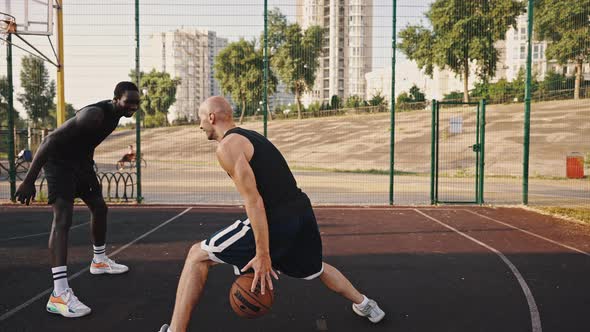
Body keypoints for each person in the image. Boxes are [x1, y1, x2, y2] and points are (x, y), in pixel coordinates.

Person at [157, 96, 384, 332]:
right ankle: (366, 304)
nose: (199, 125)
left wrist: (263, 253)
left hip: (275, 218)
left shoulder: (227, 147)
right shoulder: (251, 136)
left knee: (197, 256)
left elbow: (254, 201)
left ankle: (175, 330)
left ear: (211, 117)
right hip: (301, 212)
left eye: (200, 118)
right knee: (316, 267)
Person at [15, 81, 140, 318]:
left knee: (100, 208)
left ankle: (100, 261)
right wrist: (29, 180)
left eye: (136, 103)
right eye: (128, 102)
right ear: (116, 99)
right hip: (59, 165)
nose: (133, 107)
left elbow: (85, 140)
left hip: (81, 164)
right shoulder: (93, 115)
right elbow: (50, 140)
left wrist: (86, 162)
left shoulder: (117, 116)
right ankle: (59, 294)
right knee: (63, 220)